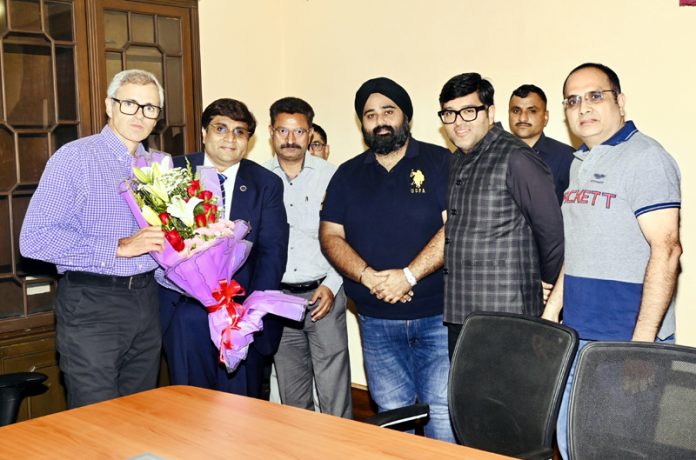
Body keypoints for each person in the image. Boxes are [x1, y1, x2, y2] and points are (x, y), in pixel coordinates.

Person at [541, 63, 682, 460]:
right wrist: (550, 315)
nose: (583, 108)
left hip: (623, 344)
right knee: (572, 446)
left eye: (595, 96)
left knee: (615, 450)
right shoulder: (579, 162)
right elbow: (579, 248)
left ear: (620, 102)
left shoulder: (646, 159)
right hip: (578, 339)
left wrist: (642, 348)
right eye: (573, 100)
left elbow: (667, 250)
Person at [20, 69, 166, 408]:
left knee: (141, 415)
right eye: (129, 104)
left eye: (150, 108)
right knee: (97, 421)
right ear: (108, 105)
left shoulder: (157, 166)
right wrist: (119, 247)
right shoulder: (75, 158)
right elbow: (34, 239)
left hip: (147, 301)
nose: (139, 115)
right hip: (93, 304)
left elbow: (161, 243)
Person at [320, 77, 454, 442]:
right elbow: (330, 235)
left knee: (442, 410)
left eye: (388, 111)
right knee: (392, 415)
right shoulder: (347, 174)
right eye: (370, 114)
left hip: (437, 318)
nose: (379, 120)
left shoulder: (441, 161)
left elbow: (454, 228)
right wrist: (368, 278)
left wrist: (407, 277)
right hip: (376, 319)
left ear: (405, 117)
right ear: (361, 123)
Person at [158, 98, 289, 398]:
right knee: (189, 406)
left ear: (248, 141)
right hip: (184, 314)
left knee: (239, 413)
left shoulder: (265, 183)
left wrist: (251, 314)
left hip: (239, 319)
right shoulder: (174, 171)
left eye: (240, 132)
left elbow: (272, 252)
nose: (230, 138)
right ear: (204, 133)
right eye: (221, 128)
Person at [438, 72, 564, 356]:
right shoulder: (457, 159)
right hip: (460, 312)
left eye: (468, 112)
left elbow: (552, 232)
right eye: (449, 114)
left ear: (490, 112)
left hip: (507, 315)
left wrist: (546, 287)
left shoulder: (517, 157)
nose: (458, 123)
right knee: (466, 398)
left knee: (507, 399)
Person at [264, 97, 351, 418]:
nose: (290, 139)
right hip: (279, 301)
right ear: (272, 132)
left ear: (310, 132)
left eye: (298, 131)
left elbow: (348, 238)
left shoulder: (335, 176)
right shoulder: (258, 178)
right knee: (292, 395)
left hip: (324, 294)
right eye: (283, 131)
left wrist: (331, 284)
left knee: (334, 396)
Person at [508, 84, 575, 204]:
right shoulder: (495, 155)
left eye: (532, 111)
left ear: (546, 117)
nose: (522, 118)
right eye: (516, 110)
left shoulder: (568, 158)